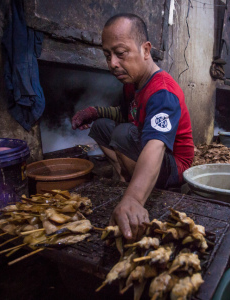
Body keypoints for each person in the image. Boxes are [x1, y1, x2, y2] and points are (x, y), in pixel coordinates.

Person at [71, 14, 194, 242]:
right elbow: (128, 114)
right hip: (145, 146)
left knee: (123, 133)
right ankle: (125, 175)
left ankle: (137, 191)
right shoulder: (132, 83)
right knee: (101, 127)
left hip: (174, 165)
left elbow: (155, 146)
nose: (112, 64)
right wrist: (95, 112)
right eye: (107, 55)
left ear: (146, 50)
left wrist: (134, 199)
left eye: (120, 53)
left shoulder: (163, 91)